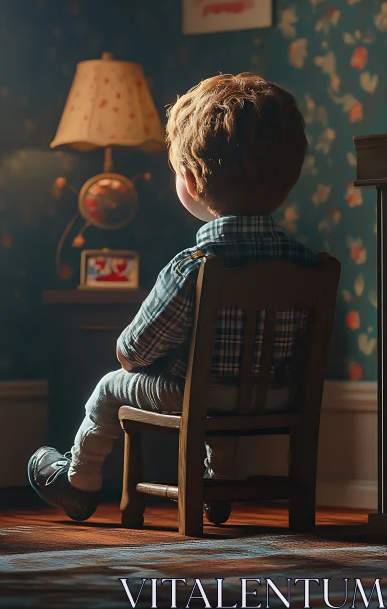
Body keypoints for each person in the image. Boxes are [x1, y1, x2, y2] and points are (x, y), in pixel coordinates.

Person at [28, 73, 316, 525]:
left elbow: (132, 351)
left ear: (191, 180)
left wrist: (136, 351)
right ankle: (215, 486)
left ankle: (77, 481)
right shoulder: (305, 264)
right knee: (220, 385)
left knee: (109, 388)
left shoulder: (194, 265)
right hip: (278, 396)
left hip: (198, 395)